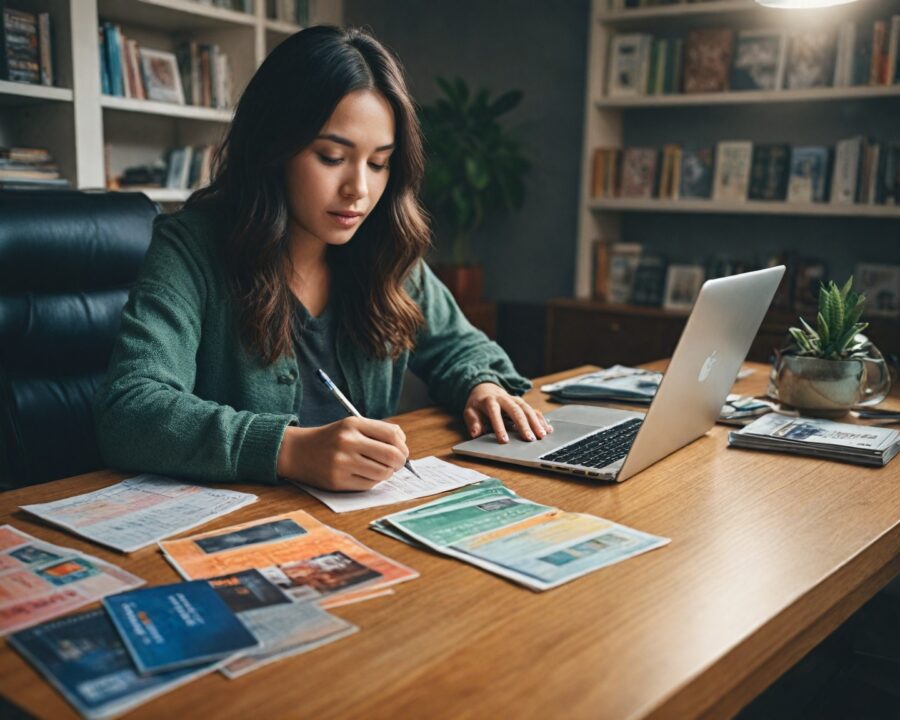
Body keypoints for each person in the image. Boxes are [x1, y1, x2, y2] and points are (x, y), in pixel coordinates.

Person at [94, 26, 551, 493]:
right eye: (332, 157)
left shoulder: (385, 247)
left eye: (378, 163)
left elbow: (462, 348)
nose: (360, 189)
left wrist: (483, 387)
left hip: (362, 521)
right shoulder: (191, 248)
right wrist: (288, 449)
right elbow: (131, 409)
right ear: (274, 148)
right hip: (243, 527)